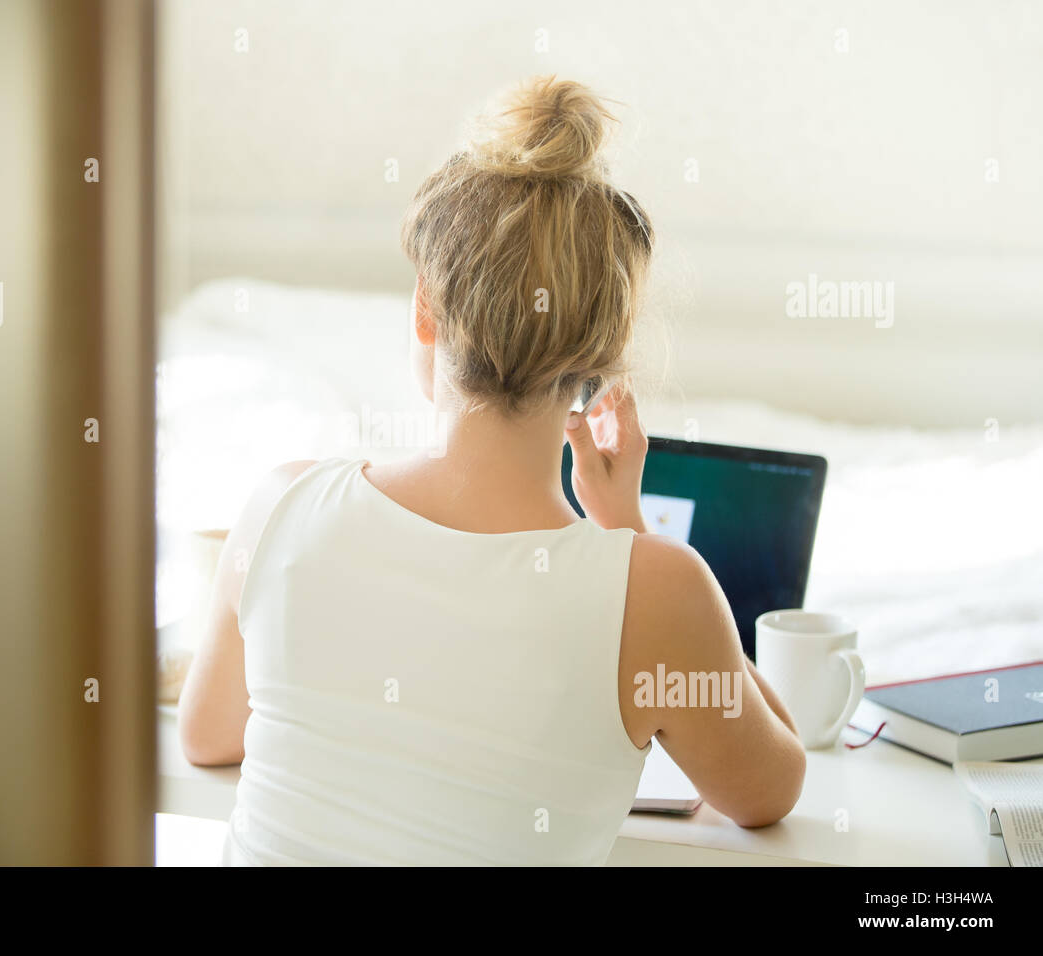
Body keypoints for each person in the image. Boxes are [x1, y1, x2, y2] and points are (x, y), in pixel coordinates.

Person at [180, 76, 805, 865]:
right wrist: (628, 529)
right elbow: (771, 790)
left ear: (424, 312)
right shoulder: (655, 593)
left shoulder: (282, 506)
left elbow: (206, 737)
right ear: (601, 363)